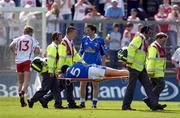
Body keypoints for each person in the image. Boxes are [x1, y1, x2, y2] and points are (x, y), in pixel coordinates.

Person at [122, 26, 166, 110]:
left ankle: (154, 105)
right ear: (145, 32)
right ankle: (126, 106)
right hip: (134, 67)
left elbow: (142, 55)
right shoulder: (139, 38)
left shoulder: (143, 40)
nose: (151, 34)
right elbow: (131, 48)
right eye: (149, 32)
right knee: (131, 87)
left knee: (148, 87)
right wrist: (130, 61)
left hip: (141, 68)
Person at [40, 26, 83, 109]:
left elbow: (75, 55)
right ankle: (71, 104)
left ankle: (45, 99)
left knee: (61, 87)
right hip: (64, 69)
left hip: (68, 69)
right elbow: (60, 57)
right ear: (70, 33)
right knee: (68, 86)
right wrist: (59, 69)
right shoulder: (63, 43)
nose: (75, 34)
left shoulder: (69, 42)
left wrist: (83, 63)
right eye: (74, 32)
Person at [27, 32, 64, 109]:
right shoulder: (53, 47)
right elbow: (50, 60)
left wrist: (55, 71)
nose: (62, 39)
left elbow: (46, 56)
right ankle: (31, 100)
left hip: (51, 71)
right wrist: (51, 71)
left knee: (56, 89)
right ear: (56, 37)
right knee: (45, 89)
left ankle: (58, 105)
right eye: (60, 37)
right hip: (48, 72)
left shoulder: (54, 47)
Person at [9, 26, 40, 107]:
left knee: (20, 82)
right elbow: (37, 51)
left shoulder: (18, 38)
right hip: (27, 61)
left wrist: (15, 53)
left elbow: (11, 46)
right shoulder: (32, 39)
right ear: (31, 33)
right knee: (26, 81)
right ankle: (22, 92)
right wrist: (37, 52)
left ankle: (21, 99)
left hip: (18, 61)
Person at [79, 24, 107, 108]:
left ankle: (94, 104)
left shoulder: (100, 40)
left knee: (95, 85)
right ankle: (82, 102)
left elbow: (103, 54)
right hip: (85, 65)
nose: (86, 32)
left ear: (93, 31)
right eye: (86, 30)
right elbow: (80, 52)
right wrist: (78, 63)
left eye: (88, 30)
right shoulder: (84, 39)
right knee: (82, 84)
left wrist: (104, 66)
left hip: (96, 65)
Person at [145, 32, 168, 108]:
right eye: (163, 40)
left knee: (155, 87)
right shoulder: (154, 47)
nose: (164, 42)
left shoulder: (160, 47)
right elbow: (151, 60)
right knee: (161, 85)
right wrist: (150, 72)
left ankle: (154, 105)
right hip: (154, 72)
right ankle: (149, 99)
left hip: (159, 72)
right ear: (158, 38)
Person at [61, 62, 129, 80]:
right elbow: (83, 64)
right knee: (117, 72)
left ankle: (129, 74)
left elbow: (61, 76)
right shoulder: (74, 65)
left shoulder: (67, 75)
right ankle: (131, 73)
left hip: (90, 76)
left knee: (112, 74)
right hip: (92, 69)